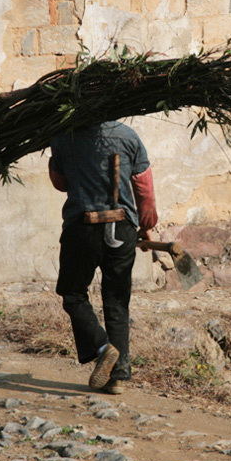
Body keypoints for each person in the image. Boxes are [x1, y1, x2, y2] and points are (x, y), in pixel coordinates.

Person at [48, 121, 158, 394]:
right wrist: (147, 226)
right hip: (123, 227)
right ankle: (118, 376)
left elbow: (60, 183)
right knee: (117, 301)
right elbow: (144, 188)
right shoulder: (129, 135)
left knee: (72, 293)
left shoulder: (63, 136)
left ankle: (103, 347)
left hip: (81, 227)